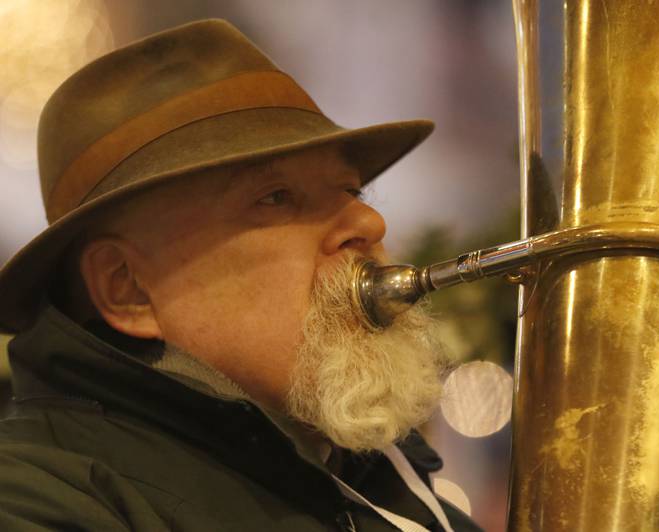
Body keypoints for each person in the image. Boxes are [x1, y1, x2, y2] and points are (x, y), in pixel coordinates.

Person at [0, 19, 483, 531]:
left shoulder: (373, 474)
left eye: (351, 191)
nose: (369, 222)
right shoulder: (32, 501)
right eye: (275, 197)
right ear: (128, 289)